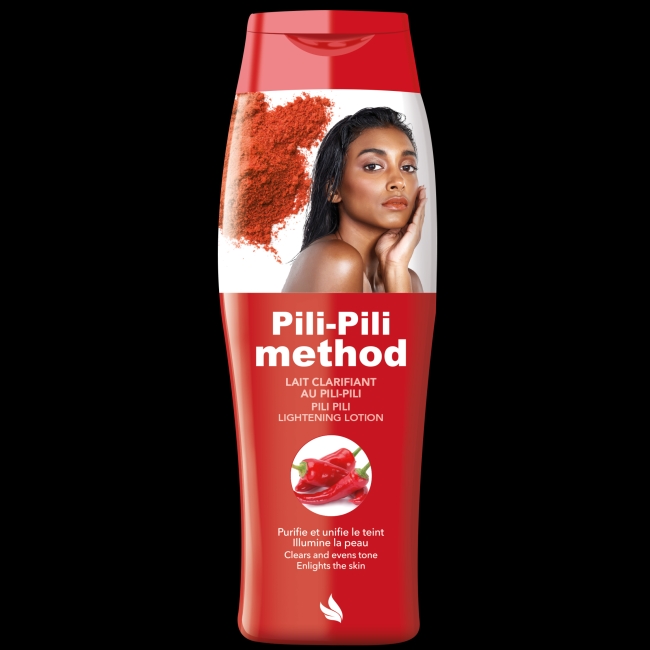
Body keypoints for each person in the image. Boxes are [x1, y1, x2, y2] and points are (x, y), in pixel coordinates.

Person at [282, 107, 427, 293]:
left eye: (407, 167)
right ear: (334, 190)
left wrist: (396, 268)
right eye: (373, 166)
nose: (399, 182)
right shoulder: (336, 261)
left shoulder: (407, 278)